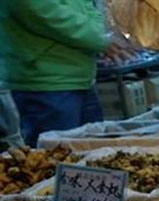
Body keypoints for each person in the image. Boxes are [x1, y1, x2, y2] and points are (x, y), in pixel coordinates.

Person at [0, 1, 110, 146]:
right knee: (56, 160)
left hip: (79, 77)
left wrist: (104, 33)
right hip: (46, 83)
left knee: (94, 156)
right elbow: (43, 11)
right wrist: (102, 37)